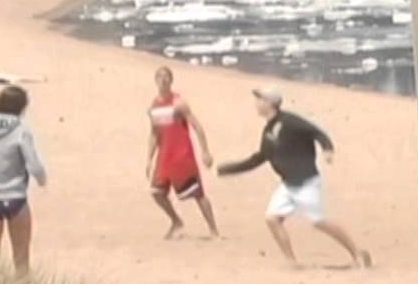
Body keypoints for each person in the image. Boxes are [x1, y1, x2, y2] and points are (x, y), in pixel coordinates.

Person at [217, 87, 371, 269]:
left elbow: (317, 133)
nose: (257, 103)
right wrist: (231, 169)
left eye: (261, 99)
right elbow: (260, 158)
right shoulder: (268, 130)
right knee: (272, 219)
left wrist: (327, 150)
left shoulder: (290, 121)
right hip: (288, 185)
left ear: (271, 103)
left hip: (306, 182)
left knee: (319, 221)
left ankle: (358, 254)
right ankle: (291, 261)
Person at [0, 86, 46, 275]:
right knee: (21, 258)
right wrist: (42, 179)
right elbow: (33, 164)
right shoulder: (21, 130)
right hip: (15, 196)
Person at [147, 66, 219, 239]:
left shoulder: (178, 103)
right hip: (164, 157)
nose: (163, 80)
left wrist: (205, 152)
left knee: (198, 194)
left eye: (166, 77)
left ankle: (214, 231)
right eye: (160, 77)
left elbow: (196, 126)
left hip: (182, 155)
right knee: (157, 193)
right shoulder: (154, 106)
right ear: (155, 80)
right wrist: (149, 159)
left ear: (171, 81)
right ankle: (176, 222)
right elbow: (154, 133)